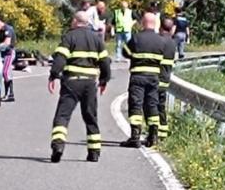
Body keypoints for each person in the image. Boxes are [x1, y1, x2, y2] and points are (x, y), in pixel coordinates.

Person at [48, 11, 111, 162]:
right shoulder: (97, 39)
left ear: (76, 21)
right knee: (90, 117)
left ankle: (58, 146)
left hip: (71, 82)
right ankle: (94, 152)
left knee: (62, 116)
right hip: (89, 84)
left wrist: (53, 75)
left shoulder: (69, 36)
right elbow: (105, 62)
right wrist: (104, 80)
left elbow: (60, 58)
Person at [121, 12, 173, 148]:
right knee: (152, 106)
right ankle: (153, 136)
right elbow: (163, 59)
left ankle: (135, 137)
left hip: (138, 77)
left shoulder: (136, 38)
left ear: (143, 23)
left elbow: (125, 52)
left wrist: (135, 56)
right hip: (154, 78)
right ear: (155, 24)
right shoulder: (161, 41)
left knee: (136, 105)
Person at [156, 15, 178, 143]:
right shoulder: (172, 43)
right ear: (171, 29)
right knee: (161, 106)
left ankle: (154, 133)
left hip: (155, 77)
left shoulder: (158, 41)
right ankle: (163, 133)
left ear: (160, 27)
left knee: (152, 106)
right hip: (165, 78)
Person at [0, 17, 17, 102]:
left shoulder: (7, 29)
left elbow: (7, 42)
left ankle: (10, 94)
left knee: (6, 72)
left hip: (9, 53)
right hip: (4, 53)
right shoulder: (2, 30)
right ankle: (9, 94)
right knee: (5, 73)